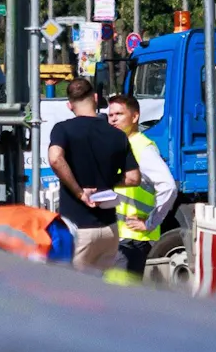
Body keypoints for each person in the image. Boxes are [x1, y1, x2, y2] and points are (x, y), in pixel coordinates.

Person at [46, 77, 136, 274]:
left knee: (73, 294)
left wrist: (79, 192)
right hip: (109, 229)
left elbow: (55, 159)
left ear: (69, 105)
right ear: (95, 98)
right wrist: (107, 183)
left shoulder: (63, 130)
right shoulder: (117, 135)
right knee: (100, 292)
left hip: (77, 229)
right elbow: (133, 178)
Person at [105, 92, 178, 278]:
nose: (112, 120)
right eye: (110, 115)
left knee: (120, 298)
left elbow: (168, 186)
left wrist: (151, 222)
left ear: (135, 116)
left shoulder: (142, 148)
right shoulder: (122, 145)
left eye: (119, 114)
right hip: (119, 237)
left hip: (132, 239)